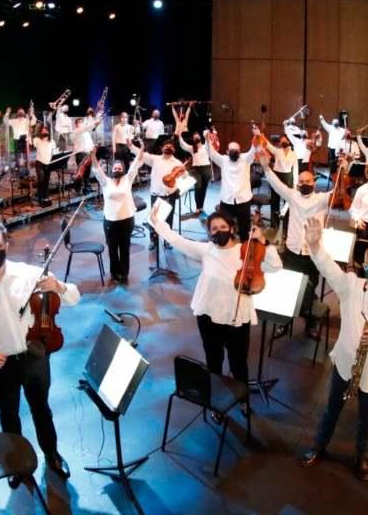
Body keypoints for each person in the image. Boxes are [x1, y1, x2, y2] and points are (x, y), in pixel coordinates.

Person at [0, 222, 78, 480]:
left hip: (34, 357)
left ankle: (52, 454)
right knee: (9, 415)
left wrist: (59, 287)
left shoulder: (29, 274)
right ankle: (16, 462)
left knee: (41, 409)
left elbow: (74, 297)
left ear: (6, 245)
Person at [298, 217, 368, 482]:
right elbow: (328, 268)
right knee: (331, 409)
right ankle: (319, 446)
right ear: (363, 265)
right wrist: (315, 245)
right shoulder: (350, 285)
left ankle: (362, 457)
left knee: (366, 419)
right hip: (345, 364)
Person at [151, 208, 281, 403]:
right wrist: (158, 224)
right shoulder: (206, 250)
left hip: (236, 317)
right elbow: (178, 241)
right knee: (213, 360)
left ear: (231, 229)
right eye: (214, 228)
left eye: (223, 227)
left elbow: (275, 266)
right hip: (208, 314)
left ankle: (243, 401)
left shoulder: (247, 251)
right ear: (209, 232)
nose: (218, 231)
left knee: (238, 363)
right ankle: (216, 399)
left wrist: (263, 241)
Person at [259, 150, 339, 339]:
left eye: (308, 181)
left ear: (314, 183)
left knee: (310, 290)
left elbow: (338, 192)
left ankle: (310, 323)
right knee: (289, 288)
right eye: (301, 182)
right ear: (297, 184)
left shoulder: (322, 199)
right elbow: (276, 184)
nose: (305, 184)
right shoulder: (292, 196)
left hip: (313, 254)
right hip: (292, 252)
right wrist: (265, 167)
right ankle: (284, 322)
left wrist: (342, 168)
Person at [92, 153, 144, 284]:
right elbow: (97, 169)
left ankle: (124, 273)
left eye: (119, 168)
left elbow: (135, 165)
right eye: (115, 168)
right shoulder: (106, 182)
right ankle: (114, 273)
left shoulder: (128, 179)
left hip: (127, 220)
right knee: (112, 249)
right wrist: (93, 155)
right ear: (112, 170)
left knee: (125, 248)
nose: (117, 170)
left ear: (123, 170)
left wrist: (141, 150)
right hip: (110, 221)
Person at [206, 129, 258, 242]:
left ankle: (244, 247)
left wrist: (257, 135)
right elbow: (211, 152)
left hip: (243, 200)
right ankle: (226, 245)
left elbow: (254, 150)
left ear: (240, 151)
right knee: (225, 226)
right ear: (227, 151)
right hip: (226, 200)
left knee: (244, 229)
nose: (234, 151)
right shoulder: (223, 160)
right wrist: (207, 139)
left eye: (237, 150)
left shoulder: (246, 159)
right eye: (232, 150)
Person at [133, 139, 184, 251]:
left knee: (169, 219)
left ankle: (167, 240)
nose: (168, 148)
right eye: (166, 146)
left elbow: (184, 177)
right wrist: (131, 146)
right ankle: (154, 241)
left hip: (170, 195)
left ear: (174, 149)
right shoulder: (155, 159)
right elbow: (141, 154)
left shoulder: (178, 163)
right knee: (154, 220)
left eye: (171, 147)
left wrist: (183, 172)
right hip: (156, 195)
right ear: (162, 148)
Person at [176, 110, 212, 219]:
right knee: (198, 186)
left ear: (200, 137)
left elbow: (209, 139)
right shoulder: (192, 148)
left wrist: (208, 135)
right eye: (194, 137)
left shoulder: (206, 146)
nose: (196, 138)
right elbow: (182, 144)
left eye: (197, 136)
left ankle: (201, 206)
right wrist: (179, 135)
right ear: (193, 139)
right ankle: (197, 207)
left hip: (206, 169)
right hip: (196, 170)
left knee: (204, 189)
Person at [262, 133, 298, 230]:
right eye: (281, 141)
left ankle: (286, 225)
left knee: (288, 201)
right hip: (277, 175)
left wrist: (295, 184)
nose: (282, 142)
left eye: (284, 140)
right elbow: (268, 145)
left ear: (289, 141)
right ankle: (274, 224)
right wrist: (261, 135)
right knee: (275, 200)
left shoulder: (294, 154)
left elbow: (295, 169)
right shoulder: (277, 151)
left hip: (288, 177)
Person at [32, 126, 57, 207]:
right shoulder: (37, 140)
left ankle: (45, 197)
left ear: (48, 132)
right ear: (40, 132)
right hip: (39, 163)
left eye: (45, 131)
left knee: (46, 181)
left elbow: (54, 152)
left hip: (48, 163)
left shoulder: (52, 142)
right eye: (42, 131)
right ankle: (39, 198)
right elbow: (30, 141)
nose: (44, 132)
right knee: (41, 180)